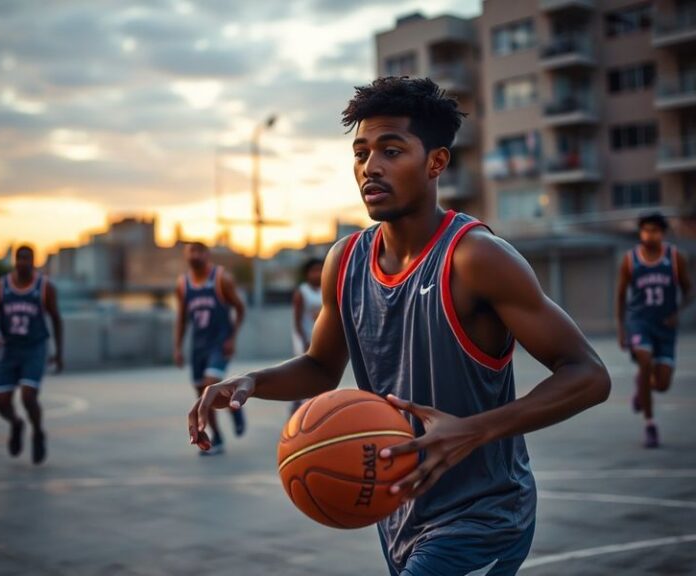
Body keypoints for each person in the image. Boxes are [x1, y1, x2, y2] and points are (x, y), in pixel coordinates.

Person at [188, 77, 610, 575]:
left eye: (391, 150)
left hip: (483, 516)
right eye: (361, 153)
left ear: (436, 163)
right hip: (397, 514)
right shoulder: (344, 261)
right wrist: (253, 381)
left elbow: (588, 374)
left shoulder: (475, 258)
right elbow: (322, 367)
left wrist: (471, 432)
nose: (371, 167)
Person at [616, 212, 692, 448]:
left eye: (655, 230)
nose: (650, 235)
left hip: (665, 326)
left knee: (662, 384)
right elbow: (620, 296)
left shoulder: (675, 257)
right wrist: (621, 328)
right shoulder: (630, 260)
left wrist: (677, 312)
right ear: (640, 233)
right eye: (646, 230)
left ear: (663, 233)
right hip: (640, 322)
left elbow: (689, 290)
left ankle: (642, 386)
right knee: (644, 358)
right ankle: (650, 425)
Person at [0, 245, 63, 465]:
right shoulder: (0, 287)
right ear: (15, 261)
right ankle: (16, 424)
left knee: (29, 396)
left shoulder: (44, 287)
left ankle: (38, 432)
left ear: (34, 262)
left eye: (28, 259)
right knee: (1, 403)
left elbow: (56, 319)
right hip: (9, 349)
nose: (24, 263)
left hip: (34, 347)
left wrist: (58, 354)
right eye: (20, 259)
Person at [174, 242, 246, 455]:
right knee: (201, 396)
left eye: (199, 251)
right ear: (186, 256)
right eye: (190, 252)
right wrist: (178, 347)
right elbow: (181, 319)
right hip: (198, 346)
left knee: (208, 389)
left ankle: (232, 413)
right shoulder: (182, 284)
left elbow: (240, 308)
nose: (194, 255)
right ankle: (219, 436)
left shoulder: (221, 278)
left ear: (207, 255)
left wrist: (232, 337)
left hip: (219, 342)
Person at [289, 257, 323, 415]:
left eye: (320, 269)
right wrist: (303, 339)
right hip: (304, 336)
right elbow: (296, 319)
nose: (318, 274)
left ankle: (304, 403)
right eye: (314, 270)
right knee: (305, 370)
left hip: (320, 336)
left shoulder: (326, 288)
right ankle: (299, 406)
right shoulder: (302, 292)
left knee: (319, 373)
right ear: (307, 273)